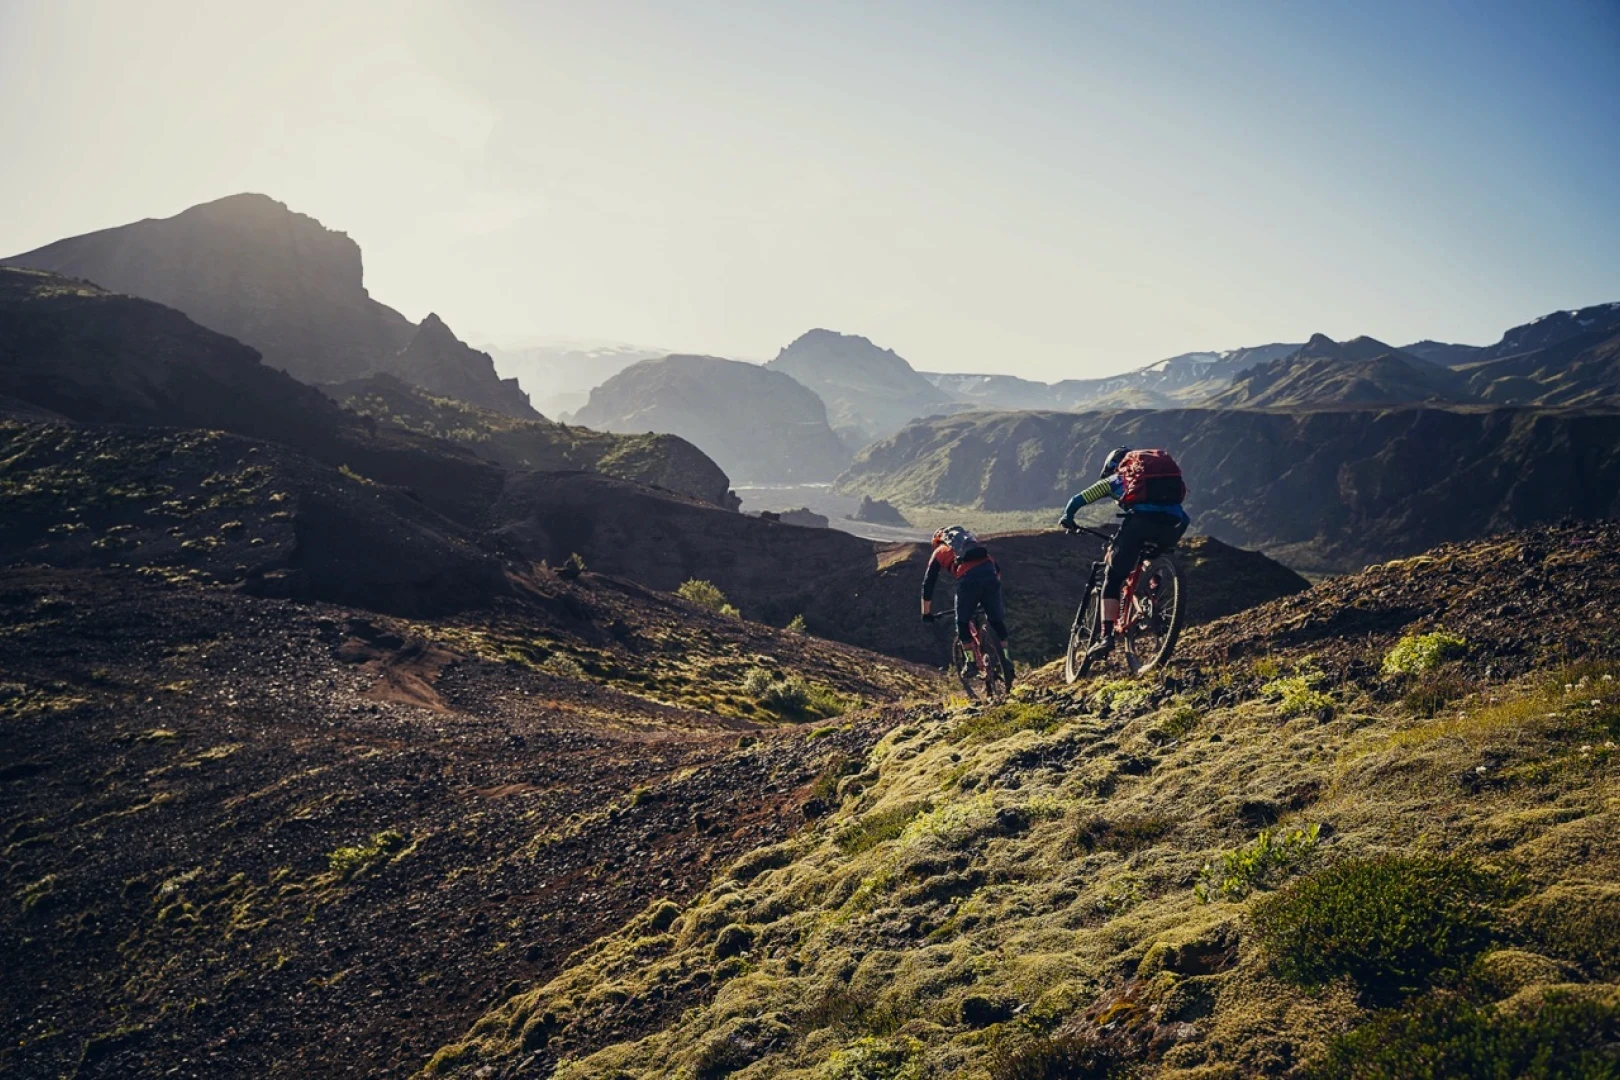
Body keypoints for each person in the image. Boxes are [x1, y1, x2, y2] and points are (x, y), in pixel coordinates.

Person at [1060, 446, 1189, 661]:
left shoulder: (1116, 480)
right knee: (1152, 557)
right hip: (1172, 525)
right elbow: (1184, 518)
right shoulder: (1161, 483)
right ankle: (1153, 594)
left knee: (1113, 577)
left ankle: (1106, 636)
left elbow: (1078, 500)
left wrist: (1068, 518)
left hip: (1139, 525)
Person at [921, 525, 1014, 682]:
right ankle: (1007, 660)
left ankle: (970, 662)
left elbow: (928, 583)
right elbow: (996, 570)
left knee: (962, 622)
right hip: (990, 575)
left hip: (968, 580)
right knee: (997, 621)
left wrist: (926, 612)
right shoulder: (974, 546)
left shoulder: (939, 552)